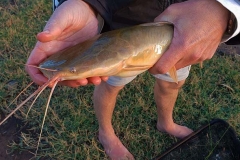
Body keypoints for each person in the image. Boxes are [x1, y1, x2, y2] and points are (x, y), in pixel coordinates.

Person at [26, 0, 240, 159]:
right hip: (120, 27)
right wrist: (85, 3)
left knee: (172, 84)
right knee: (109, 87)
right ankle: (106, 133)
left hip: (185, 33)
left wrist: (225, 9)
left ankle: (165, 122)